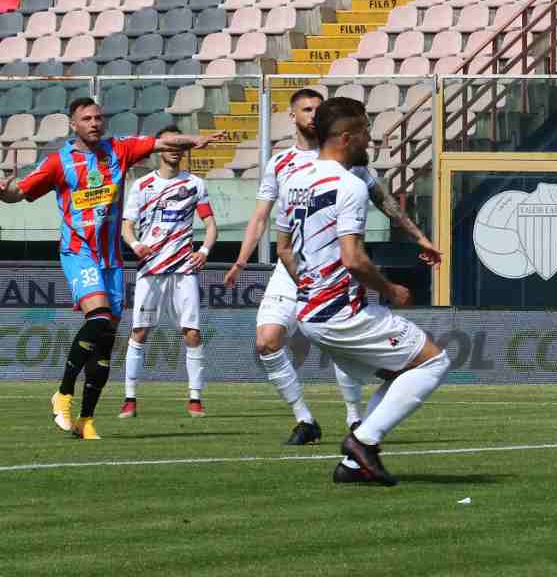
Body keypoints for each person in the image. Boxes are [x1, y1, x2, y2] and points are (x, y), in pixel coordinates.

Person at [223, 88, 441, 445]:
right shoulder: (282, 165)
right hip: (298, 268)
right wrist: (243, 260)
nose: (312, 114)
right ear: (293, 116)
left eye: (317, 109)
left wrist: (419, 237)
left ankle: (356, 420)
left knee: (347, 341)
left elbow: (384, 202)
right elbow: (265, 221)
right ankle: (309, 421)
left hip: (330, 270)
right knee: (268, 341)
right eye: (306, 109)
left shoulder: (351, 168)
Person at [0, 98, 213, 439]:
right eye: (86, 118)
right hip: (79, 251)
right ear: (73, 125)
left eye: (99, 117)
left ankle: (86, 420)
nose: (94, 123)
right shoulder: (58, 162)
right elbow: (18, 193)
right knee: (98, 318)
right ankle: (63, 394)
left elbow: (162, 142)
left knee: (105, 343)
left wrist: (194, 140)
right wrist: (4, 192)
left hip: (111, 260)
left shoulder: (119, 150)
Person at [276, 97, 448, 485]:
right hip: (340, 312)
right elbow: (353, 259)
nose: (370, 139)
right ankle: (363, 441)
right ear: (346, 137)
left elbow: (284, 249)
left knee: (401, 372)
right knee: (434, 362)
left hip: (310, 311)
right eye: (366, 132)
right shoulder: (348, 185)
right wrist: (391, 290)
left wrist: (310, 285)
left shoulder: (293, 181)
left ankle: (353, 466)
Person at [119, 124, 219, 419]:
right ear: (160, 148)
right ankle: (129, 399)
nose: (175, 150)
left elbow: (210, 226)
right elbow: (127, 226)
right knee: (139, 331)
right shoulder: (142, 185)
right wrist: (136, 244)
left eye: (180, 145)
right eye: (170, 144)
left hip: (183, 269)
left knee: (192, 333)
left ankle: (195, 398)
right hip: (150, 268)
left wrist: (204, 251)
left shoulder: (195, 184)